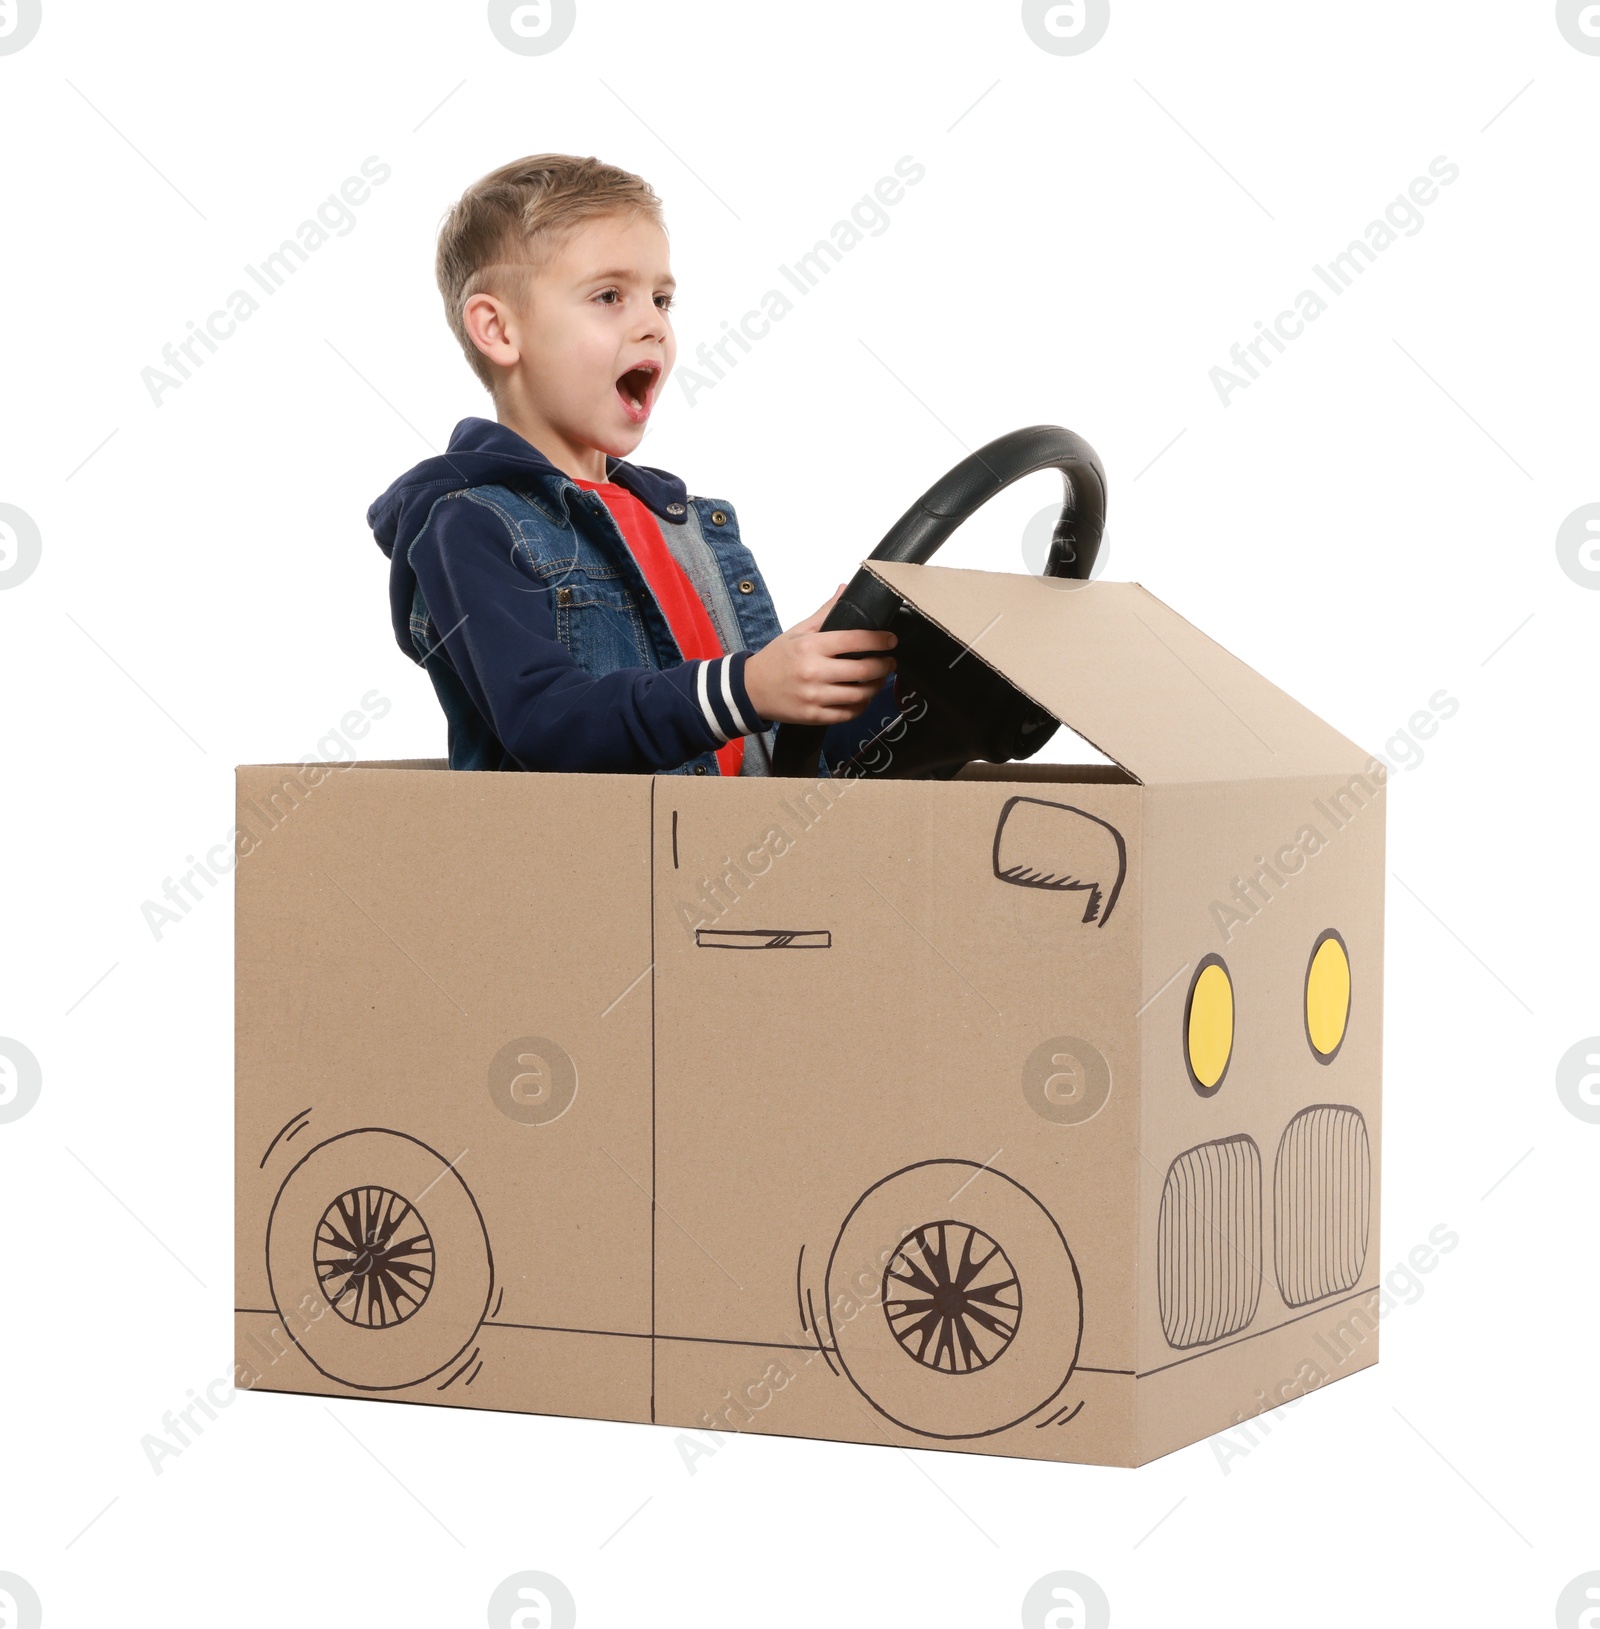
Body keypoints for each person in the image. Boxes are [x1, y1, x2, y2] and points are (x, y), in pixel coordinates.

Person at [367, 153, 908, 776]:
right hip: (601, 869)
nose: (653, 324)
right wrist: (750, 687)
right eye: (609, 296)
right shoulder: (469, 526)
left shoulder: (686, 528)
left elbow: (773, 747)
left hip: (739, 858)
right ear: (499, 329)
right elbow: (551, 722)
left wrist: (878, 686)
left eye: (662, 299)